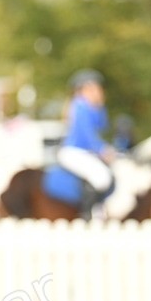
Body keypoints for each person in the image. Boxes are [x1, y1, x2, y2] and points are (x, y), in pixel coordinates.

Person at [57, 69, 115, 218]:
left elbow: (103, 127)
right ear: (86, 88)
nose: (99, 91)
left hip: (85, 152)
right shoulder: (80, 106)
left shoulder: (91, 107)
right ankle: (87, 214)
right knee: (102, 178)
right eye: (96, 87)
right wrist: (102, 149)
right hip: (74, 152)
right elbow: (88, 134)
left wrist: (100, 106)